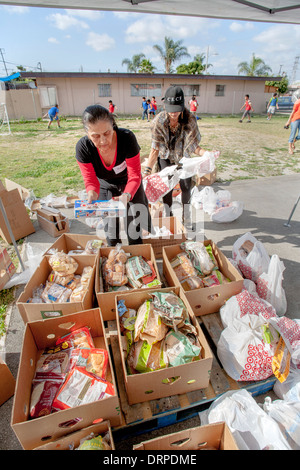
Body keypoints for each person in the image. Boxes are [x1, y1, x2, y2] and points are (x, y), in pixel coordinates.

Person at [75, 104, 153, 246]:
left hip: (130, 184)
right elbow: (91, 180)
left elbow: (135, 175)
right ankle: (115, 261)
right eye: (96, 136)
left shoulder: (127, 139)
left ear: (113, 126)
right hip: (106, 185)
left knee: (134, 228)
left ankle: (138, 262)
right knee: (111, 229)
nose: (103, 141)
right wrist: (91, 195)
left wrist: (127, 195)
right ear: (87, 134)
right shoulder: (83, 148)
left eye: (107, 133)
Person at [142, 85, 214, 231]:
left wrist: (206, 154)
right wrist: (147, 171)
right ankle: (168, 219)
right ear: (165, 106)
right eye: (170, 109)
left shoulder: (190, 120)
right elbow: (155, 149)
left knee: (186, 187)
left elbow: (194, 146)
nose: (173, 113)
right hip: (165, 157)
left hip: (183, 159)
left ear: (182, 106)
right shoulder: (158, 121)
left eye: (177, 109)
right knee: (166, 188)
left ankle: (186, 218)